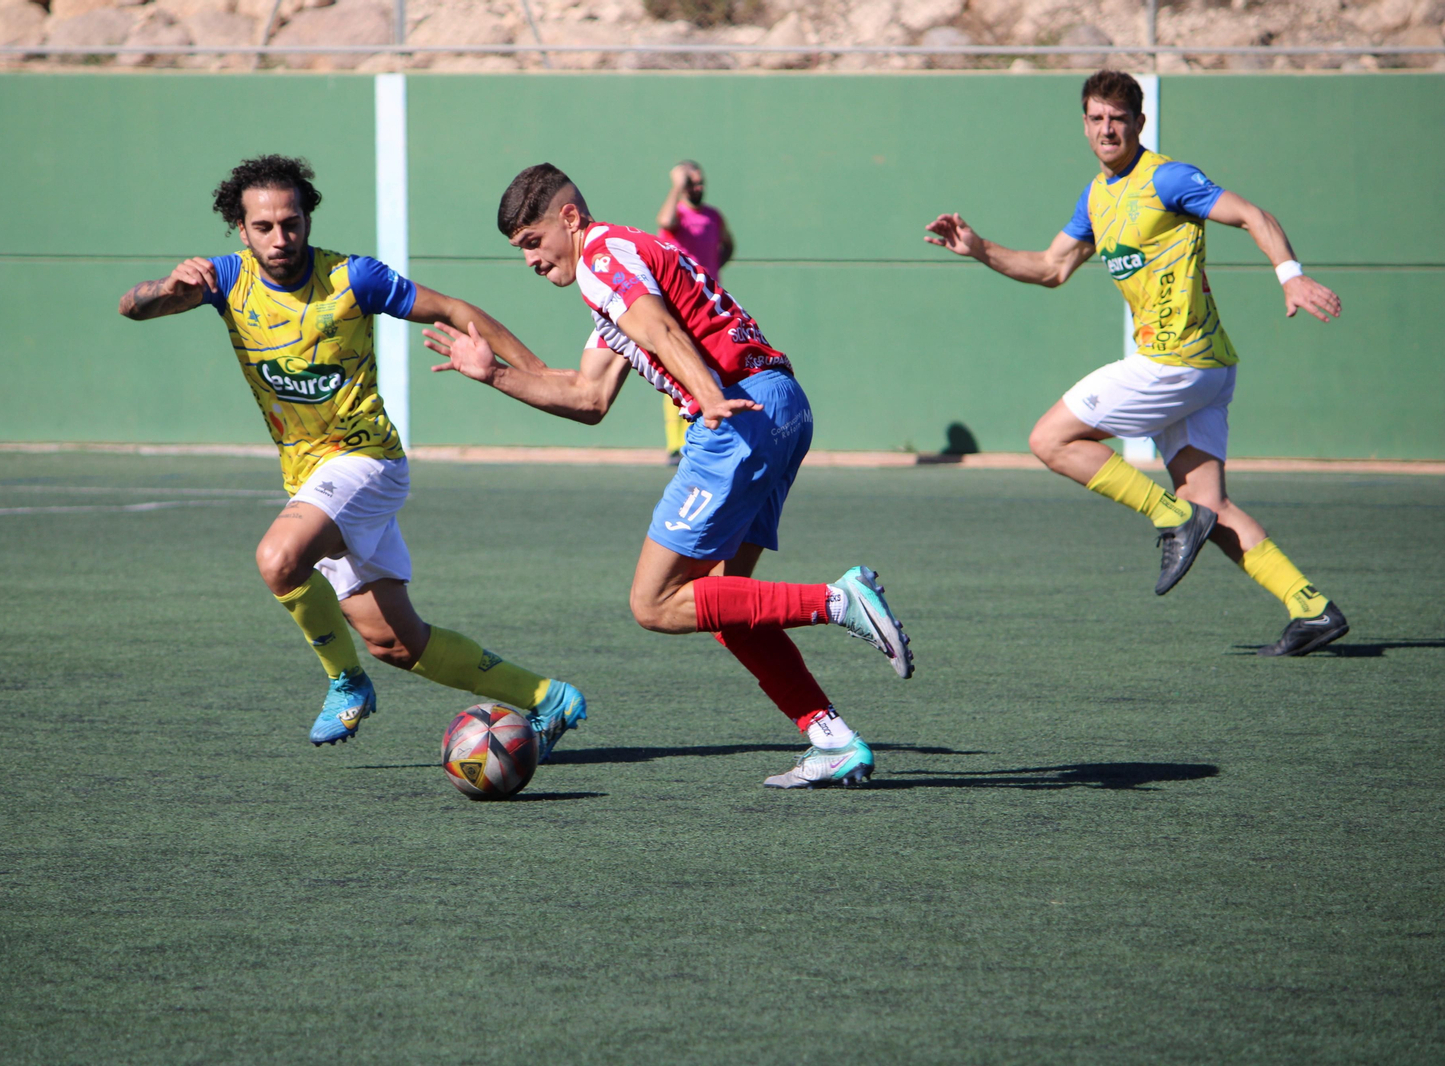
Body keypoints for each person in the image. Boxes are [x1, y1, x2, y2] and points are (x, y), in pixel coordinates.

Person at [423, 163, 913, 790]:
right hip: (780, 406)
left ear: (568, 219)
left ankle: (839, 600)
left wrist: (706, 395)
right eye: (519, 249)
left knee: (653, 603)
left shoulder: (601, 257)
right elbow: (588, 398)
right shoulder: (620, 267)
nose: (529, 260)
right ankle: (833, 739)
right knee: (725, 606)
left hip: (736, 413)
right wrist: (492, 374)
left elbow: (658, 325)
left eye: (531, 241)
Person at [117, 154, 587, 755]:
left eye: (291, 222)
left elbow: (452, 310)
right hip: (309, 478)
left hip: (368, 461)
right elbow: (134, 307)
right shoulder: (225, 281)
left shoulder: (352, 279)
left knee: (278, 558)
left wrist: (538, 373)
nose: (280, 237)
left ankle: (344, 682)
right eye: (264, 227)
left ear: (308, 219)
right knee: (397, 642)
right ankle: (551, 696)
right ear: (241, 228)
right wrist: (167, 288)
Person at [923, 70, 1348, 657]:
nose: (1107, 128)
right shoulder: (1096, 197)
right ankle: (1311, 607)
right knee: (1213, 508)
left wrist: (1291, 276)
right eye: (1096, 118)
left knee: (1050, 439)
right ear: (1084, 124)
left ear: (1139, 123)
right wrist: (980, 249)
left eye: (1118, 118)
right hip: (1205, 370)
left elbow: (1253, 215)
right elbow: (1052, 268)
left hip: (1179, 361)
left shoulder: (1168, 178)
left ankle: (1171, 516)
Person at [654, 160, 735, 465]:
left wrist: (712, 270)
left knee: (716, 366)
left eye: (700, 182)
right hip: (678, 305)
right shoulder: (677, 216)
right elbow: (664, 218)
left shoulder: (714, 216)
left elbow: (728, 245)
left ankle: (713, 435)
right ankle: (675, 444)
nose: (697, 188)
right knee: (678, 369)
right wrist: (678, 184)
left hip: (711, 305)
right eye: (692, 183)